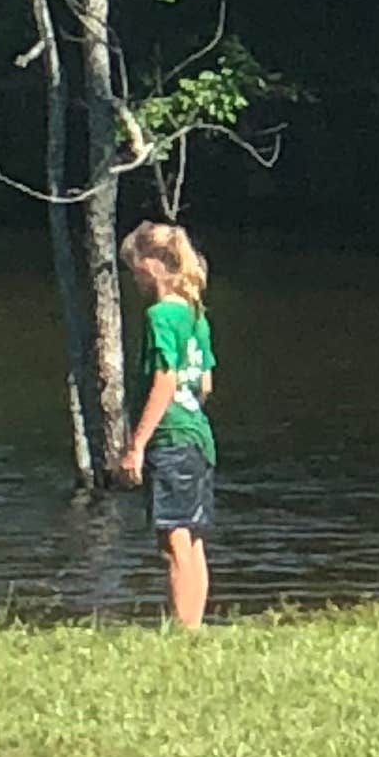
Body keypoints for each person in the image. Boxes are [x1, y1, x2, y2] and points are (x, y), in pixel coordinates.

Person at [116, 220, 216, 629]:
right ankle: (193, 626)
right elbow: (205, 383)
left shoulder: (160, 316)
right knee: (192, 539)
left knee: (172, 538)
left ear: (153, 265)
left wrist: (137, 443)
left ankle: (182, 629)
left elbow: (165, 378)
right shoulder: (195, 315)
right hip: (198, 436)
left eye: (134, 268)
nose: (134, 277)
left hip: (170, 437)